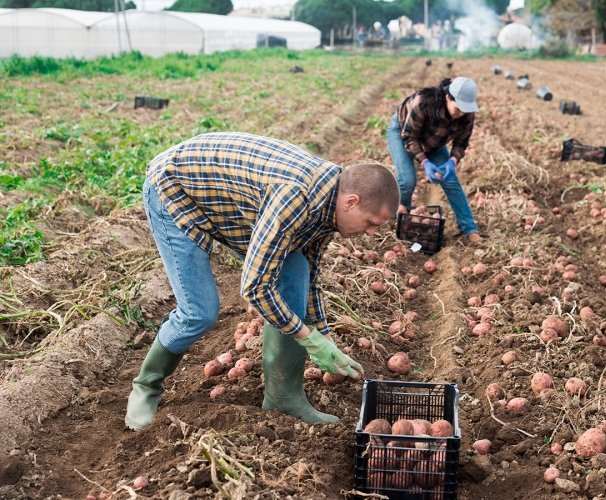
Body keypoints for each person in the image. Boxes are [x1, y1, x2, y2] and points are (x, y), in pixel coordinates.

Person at [125, 132, 399, 430]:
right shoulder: (295, 198)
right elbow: (255, 287)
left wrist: (325, 335)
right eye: (371, 222)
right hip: (175, 190)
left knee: (295, 274)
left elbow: (311, 271)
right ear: (351, 201)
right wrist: (308, 338)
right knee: (199, 312)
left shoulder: (330, 204)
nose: (372, 233)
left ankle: (283, 396)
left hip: (228, 201)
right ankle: (147, 385)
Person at [387, 76, 482, 243]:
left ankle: (469, 228)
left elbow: (461, 143)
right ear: (448, 97)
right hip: (404, 132)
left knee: (451, 181)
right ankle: (402, 221)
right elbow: (410, 138)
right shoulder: (423, 103)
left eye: (465, 111)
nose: (461, 114)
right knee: (407, 180)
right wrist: (425, 163)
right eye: (458, 109)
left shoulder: (467, 115)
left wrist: (452, 161)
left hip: (434, 141)